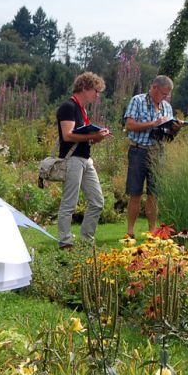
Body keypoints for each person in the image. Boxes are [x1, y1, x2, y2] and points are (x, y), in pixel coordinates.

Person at [56, 72, 109, 249]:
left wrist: (97, 136)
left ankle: (87, 239)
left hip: (85, 159)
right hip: (72, 159)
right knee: (69, 202)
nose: (97, 95)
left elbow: (83, 135)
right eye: (96, 90)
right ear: (85, 88)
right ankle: (65, 241)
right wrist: (94, 135)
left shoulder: (82, 109)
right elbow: (68, 135)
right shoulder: (68, 107)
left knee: (97, 201)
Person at [123, 75, 174, 237]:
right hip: (139, 150)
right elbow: (129, 125)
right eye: (164, 93)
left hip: (158, 152)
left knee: (154, 193)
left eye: (168, 94)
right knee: (135, 192)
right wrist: (153, 124)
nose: (166, 97)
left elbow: (167, 135)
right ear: (154, 88)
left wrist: (175, 128)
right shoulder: (137, 101)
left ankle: (152, 230)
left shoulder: (167, 107)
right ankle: (130, 231)